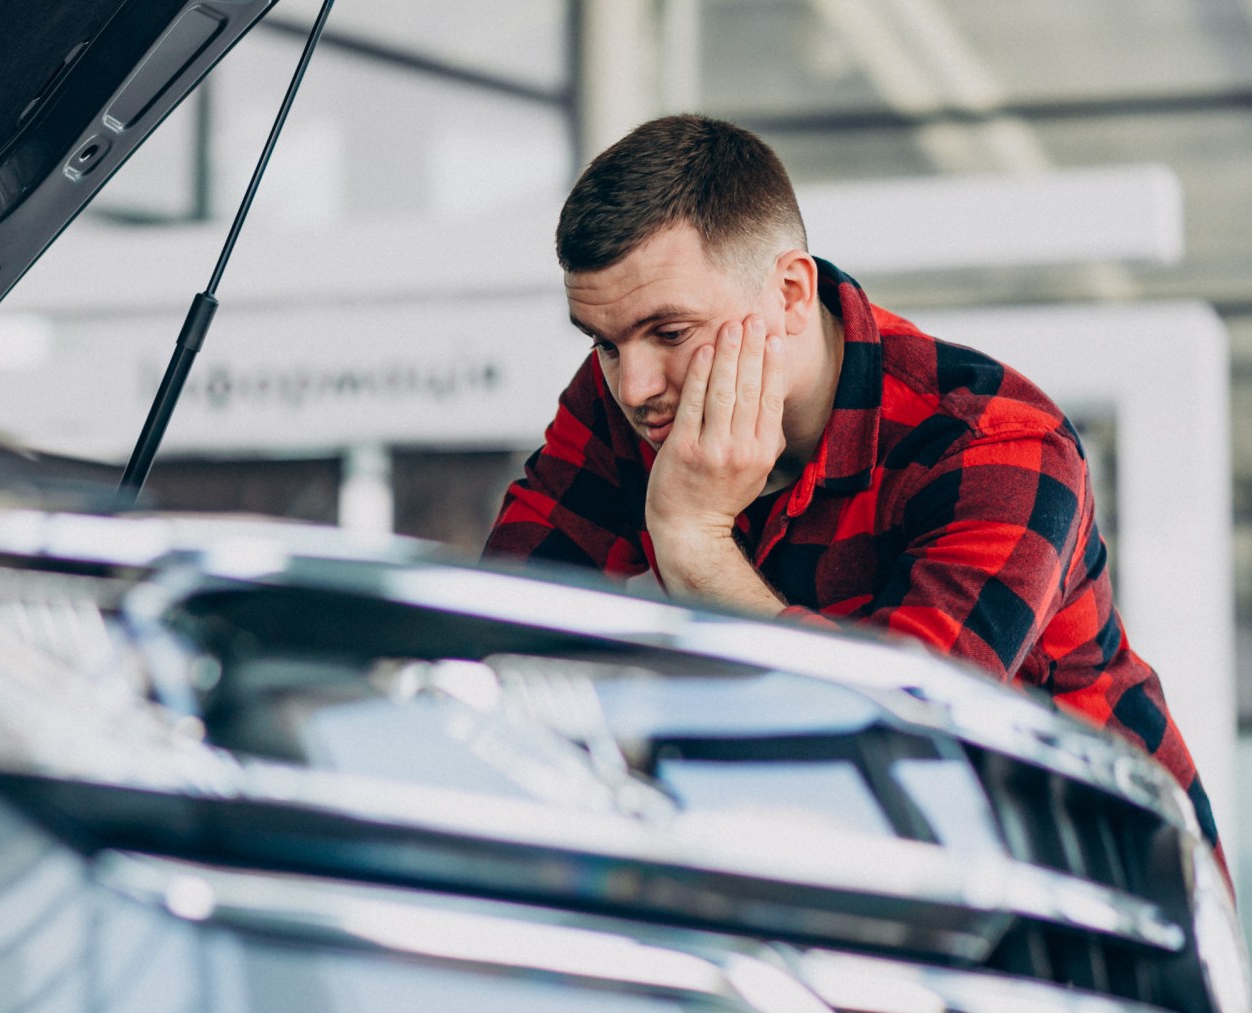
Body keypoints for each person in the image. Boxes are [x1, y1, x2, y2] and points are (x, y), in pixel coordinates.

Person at [484, 113, 1220, 857]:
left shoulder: (996, 443)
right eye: (605, 343)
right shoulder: (630, 400)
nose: (635, 385)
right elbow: (497, 641)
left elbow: (900, 731)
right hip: (863, 864)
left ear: (793, 293)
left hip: (1100, 886)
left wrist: (695, 544)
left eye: (670, 333)